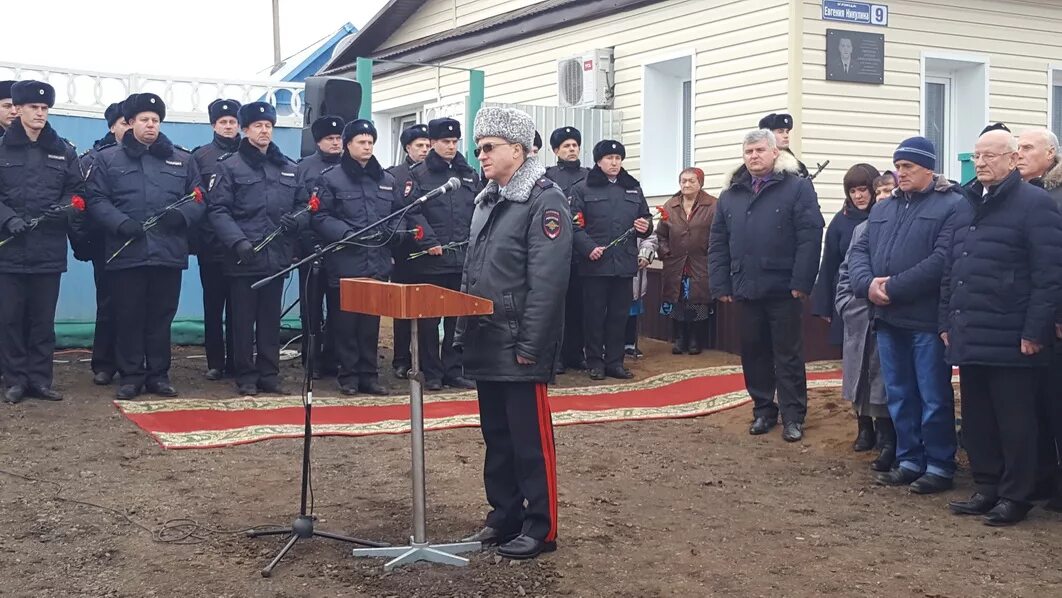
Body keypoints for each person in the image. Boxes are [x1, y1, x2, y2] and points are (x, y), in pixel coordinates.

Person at [455, 106, 571, 560]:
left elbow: (548, 281)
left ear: (518, 150)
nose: (480, 155)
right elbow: (471, 273)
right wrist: (463, 332)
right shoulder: (487, 200)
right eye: (479, 147)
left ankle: (541, 528)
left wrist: (531, 344)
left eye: (489, 147)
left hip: (520, 343)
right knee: (497, 438)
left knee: (530, 442)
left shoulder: (544, 200)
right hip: (487, 338)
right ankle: (504, 515)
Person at [941, 129, 1062, 525]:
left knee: (1016, 421)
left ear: (1012, 160)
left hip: (1013, 335)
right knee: (979, 418)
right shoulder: (966, 203)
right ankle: (987, 485)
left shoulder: (1035, 204)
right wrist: (947, 319)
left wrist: (1034, 330)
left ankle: (1017, 495)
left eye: (991, 156)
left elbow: (1048, 275)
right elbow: (952, 267)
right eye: (977, 156)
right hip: (972, 329)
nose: (981, 163)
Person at [847, 136, 961, 494]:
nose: (901, 173)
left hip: (925, 320)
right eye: (897, 167)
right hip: (888, 319)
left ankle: (940, 464)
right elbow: (860, 252)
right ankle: (910, 459)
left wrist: (892, 287)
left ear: (929, 167)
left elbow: (943, 260)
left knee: (932, 395)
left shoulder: (952, 206)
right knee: (899, 393)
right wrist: (868, 286)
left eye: (908, 167)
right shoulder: (884, 209)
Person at [708, 129, 823, 442]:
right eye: (749, 152)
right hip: (745, 286)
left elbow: (810, 236)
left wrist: (802, 281)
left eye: (759, 150)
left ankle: (793, 415)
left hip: (784, 288)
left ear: (775, 153)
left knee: (787, 354)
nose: (754, 156)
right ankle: (763, 409)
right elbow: (718, 241)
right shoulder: (731, 194)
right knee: (754, 352)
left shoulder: (797, 188)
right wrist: (721, 284)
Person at [87, 93, 204, 400]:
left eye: (155, 120)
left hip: (167, 253)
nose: (150, 125)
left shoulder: (182, 159)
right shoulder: (108, 158)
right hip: (126, 251)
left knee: (161, 316)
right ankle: (131, 376)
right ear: (131, 123)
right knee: (128, 315)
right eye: (144, 120)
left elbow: (199, 197)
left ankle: (158, 375)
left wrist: (181, 216)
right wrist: (120, 223)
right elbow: (96, 199)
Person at [208, 102, 301, 396]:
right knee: (243, 320)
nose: (264, 131)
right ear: (245, 130)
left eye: (269, 126)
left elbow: (304, 204)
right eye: (258, 126)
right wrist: (238, 242)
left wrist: (296, 221)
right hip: (244, 257)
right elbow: (218, 210)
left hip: (276, 257)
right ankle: (246, 375)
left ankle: (269, 374)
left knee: (271, 320)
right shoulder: (229, 166)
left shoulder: (287, 167)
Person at [0, 80, 85, 404]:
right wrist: (8, 219)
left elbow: (77, 191)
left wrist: (61, 211)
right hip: (9, 250)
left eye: (44, 108)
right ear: (17, 109)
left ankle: (40, 379)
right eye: (33, 108)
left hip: (48, 249)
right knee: (9, 319)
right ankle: (15, 381)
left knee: (41, 320)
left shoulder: (63, 150)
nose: (39, 113)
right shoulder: (2, 148)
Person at [312, 119, 404, 396]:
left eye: (370, 142)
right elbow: (320, 216)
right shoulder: (331, 178)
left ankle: (369, 375)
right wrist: (346, 233)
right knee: (345, 323)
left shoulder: (386, 180)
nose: (367, 147)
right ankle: (349, 375)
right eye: (361, 142)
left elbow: (399, 214)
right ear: (348, 145)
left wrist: (395, 234)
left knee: (370, 324)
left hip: (376, 261)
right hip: (345, 261)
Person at [404, 117, 480, 391]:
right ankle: (432, 372)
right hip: (432, 260)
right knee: (429, 321)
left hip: (462, 259)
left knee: (458, 320)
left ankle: (453, 369)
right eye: (445, 142)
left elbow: (479, 210)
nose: (451, 146)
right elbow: (412, 212)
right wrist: (429, 242)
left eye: (454, 141)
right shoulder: (419, 175)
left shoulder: (469, 174)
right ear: (433, 143)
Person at [570, 140, 652, 381]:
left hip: (624, 265)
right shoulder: (583, 188)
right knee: (594, 316)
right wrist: (589, 248)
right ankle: (595, 362)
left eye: (618, 158)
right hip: (595, 264)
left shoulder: (633, 187)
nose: (615, 163)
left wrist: (645, 226)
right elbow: (573, 225)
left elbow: (645, 218)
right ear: (598, 161)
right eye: (609, 158)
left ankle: (615, 362)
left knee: (619, 316)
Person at [811, 163, 880, 449]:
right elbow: (830, 265)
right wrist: (827, 305)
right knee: (853, 368)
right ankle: (863, 427)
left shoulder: (885, 217)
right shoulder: (841, 221)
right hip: (850, 304)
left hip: (878, 304)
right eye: (853, 191)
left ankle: (886, 428)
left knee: (880, 371)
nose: (859, 196)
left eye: (863, 189)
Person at [1017, 127, 1062, 510]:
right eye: (1015, 148)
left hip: (1055, 320)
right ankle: (1043, 480)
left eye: (1028, 147)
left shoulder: (1057, 197)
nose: (1019, 154)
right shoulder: (1022, 197)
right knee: (1038, 406)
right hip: (1031, 318)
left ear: (1051, 155)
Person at [76, 100, 130, 386]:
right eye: (124, 123)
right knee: (108, 302)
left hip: (138, 242)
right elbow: (81, 205)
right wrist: (82, 243)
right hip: (105, 243)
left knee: (137, 306)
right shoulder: (93, 159)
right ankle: (104, 363)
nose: (130, 128)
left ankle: (133, 361)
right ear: (112, 127)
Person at [835, 222, 894, 472]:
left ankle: (886, 433)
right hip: (858, 311)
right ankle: (864, 427)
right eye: (877, 190)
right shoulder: (860, 228)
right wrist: (846, 304)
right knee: (857, 374)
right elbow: (845, 270)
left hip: (888, 310)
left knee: (882, 377)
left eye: (885, 190)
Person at [192, 98, 241, 381]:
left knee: (239, 307)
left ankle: (237, 359)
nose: (228, 127)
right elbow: (198, 200)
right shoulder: (201, 157)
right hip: (211, 246)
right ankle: (215, 361)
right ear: (213, 125)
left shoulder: (248, 154)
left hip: (242, 246)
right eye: (223, 122)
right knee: (213, 305)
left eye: (232, 122)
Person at [295, 115, 345, 380]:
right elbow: (300, 208)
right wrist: (306, 242)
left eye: (339, 139)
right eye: (330, 139)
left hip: (341, 249)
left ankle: (333, 358)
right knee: (311, 309)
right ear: (318, 141)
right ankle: (311, 360)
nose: (336, 143)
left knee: (338, 308)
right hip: (311, 249)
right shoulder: (303, 168)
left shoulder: (350, 167)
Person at [656, 167, 717, 355]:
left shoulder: (713, 205)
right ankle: (680, 338)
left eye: (692, 181)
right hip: (676, 263)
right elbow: (661, 235)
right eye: (683, 181)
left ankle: (695, 339)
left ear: (700, 183)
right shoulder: (670, 205)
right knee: (678, 299)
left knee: (698, 301)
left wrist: (712, 254)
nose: (687, 184)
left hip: (700, 262)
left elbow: (719, 233)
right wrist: (666, 252)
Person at [545, 126, 589, 373]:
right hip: (555, 252)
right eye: (566, 146)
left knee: (579, 305)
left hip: (582, 253)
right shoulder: (548, 176)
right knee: (556, 307)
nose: (572, 149)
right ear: (556, 151)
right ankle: (556, 355)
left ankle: (575, 353)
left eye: (575, 145)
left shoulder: (590, 175)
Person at [388, 123, 429, 380]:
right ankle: (401, 358)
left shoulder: (435, 174)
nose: (425, 150)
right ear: (407, 148)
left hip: (429, 252)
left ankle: (424, 357)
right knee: (403, 309)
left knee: (426, 309)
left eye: (427, 145)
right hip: (405, 251)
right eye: (419, 146)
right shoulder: (396, 175)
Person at [625, 235, 657, 358]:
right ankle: (603, 344)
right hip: (609, 267)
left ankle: (629, 343)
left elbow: (650, 238)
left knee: (633, 309)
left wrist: (645, 254)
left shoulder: (640, 216)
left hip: (634, 267)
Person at [757, 113, 810, 177]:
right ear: (768, 136)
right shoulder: (755, 162)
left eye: (787, 132)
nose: (786, 136)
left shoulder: (799, 167)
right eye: (780, 132)